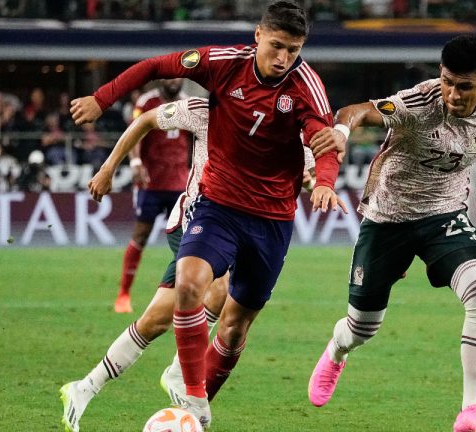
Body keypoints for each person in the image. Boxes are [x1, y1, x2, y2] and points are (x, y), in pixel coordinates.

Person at [69, 1, 345, 428]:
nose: (283, 59)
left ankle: (178, 381)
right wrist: (102, 100)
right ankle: (192, 400)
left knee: (234, 327)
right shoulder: (219, 68)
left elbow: (323, 142)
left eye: (293, 50)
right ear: (257, 35)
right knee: (190, 286)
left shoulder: (306, 85)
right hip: (214, 207)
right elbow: (155, 67)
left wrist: (324, 181)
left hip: (271, 220)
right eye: (276, 46)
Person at [306, 35, 476, 432]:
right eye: (447, 81)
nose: (453, 94)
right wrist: (341, 130)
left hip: (444, 216)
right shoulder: (418, 102)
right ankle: (337, 351)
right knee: (362, 327)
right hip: (387, 218)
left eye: (465, 86)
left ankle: (471, 412)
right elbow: (356, 110)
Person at [60, 96, 227, 432]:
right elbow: (146, 120)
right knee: (220, 284)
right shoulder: (206, 109)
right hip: (194, 219)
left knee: (154, 322)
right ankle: (180, 373)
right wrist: (110, 167)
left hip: (226, 224)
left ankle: (83, 387)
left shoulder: (270, 117)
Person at [113, 78, 190, 314]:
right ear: (162, 79)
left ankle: (187, 296)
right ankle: (124, 294)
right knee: (141, 235)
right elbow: (135, 131)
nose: (175, 81)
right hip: (151, 182)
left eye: (179, 77)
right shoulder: (147, 102)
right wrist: (135, 161)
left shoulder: (188, 103)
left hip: (180, 183)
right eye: (171, 76)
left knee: (187, 241)